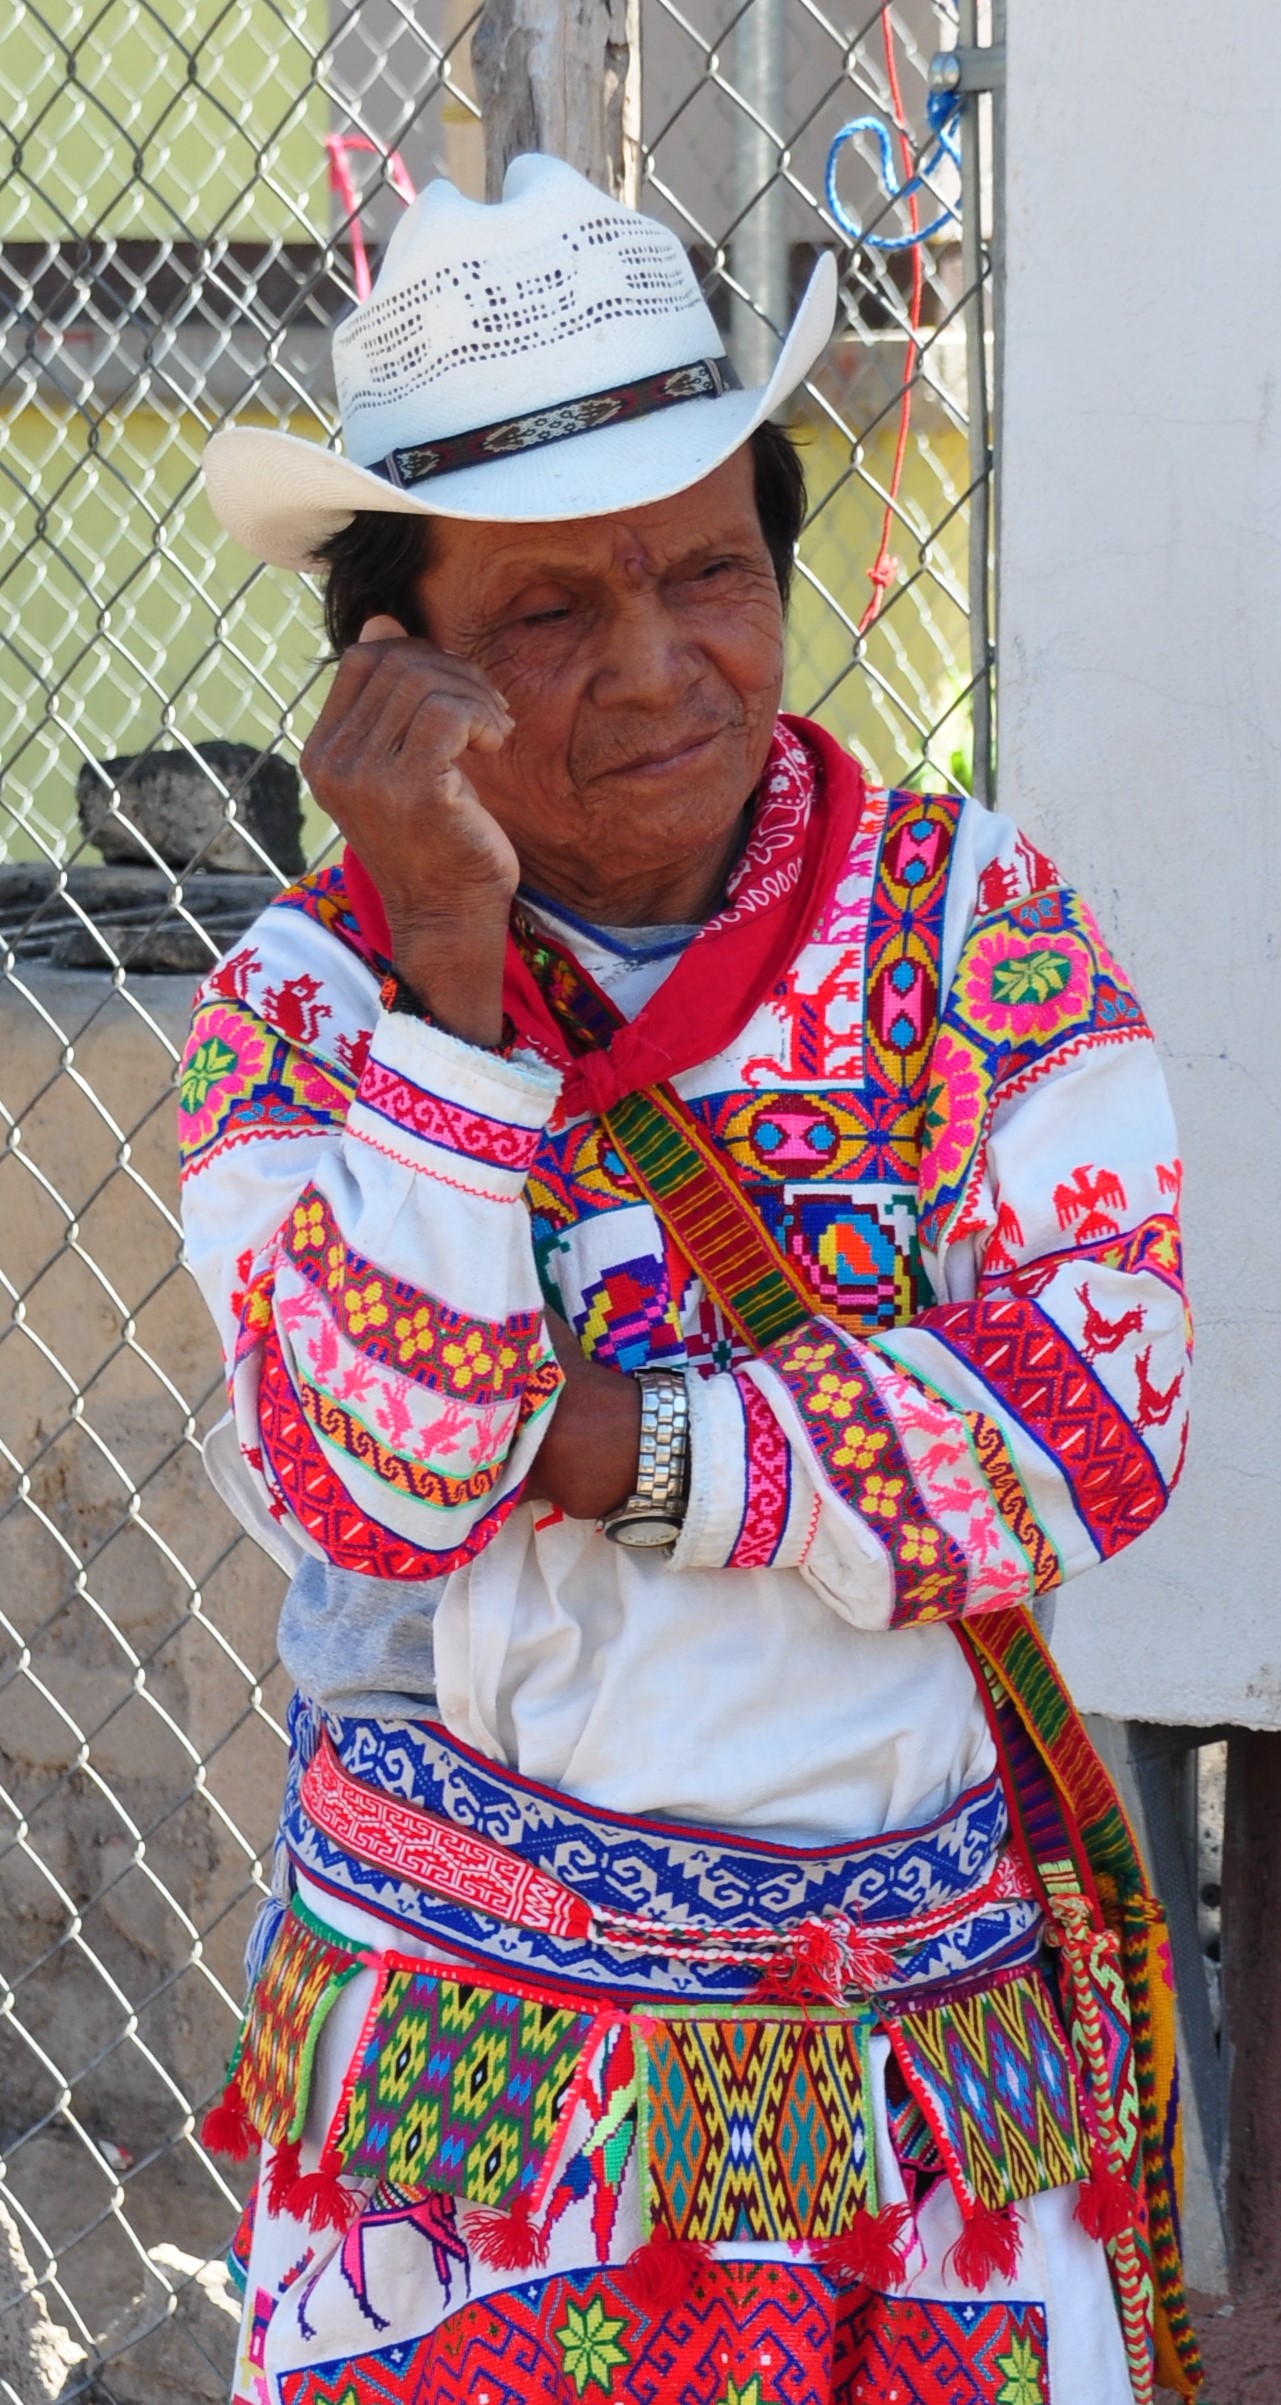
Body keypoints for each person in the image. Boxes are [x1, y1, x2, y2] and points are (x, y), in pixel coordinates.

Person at [183, 154, 1202, 2405]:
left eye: (714, 573)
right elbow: (365, 1498)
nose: (663, 670)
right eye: (551, 613)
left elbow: (1082, 1430)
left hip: (909, 2047)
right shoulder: (307, 1007)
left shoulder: (966, 923)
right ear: (396, 661)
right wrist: (451, 979)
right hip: (459, 2070)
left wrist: (579, 1439)